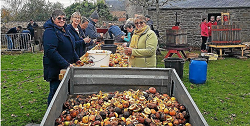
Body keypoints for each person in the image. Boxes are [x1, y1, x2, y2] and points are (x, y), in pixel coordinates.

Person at [43, 10, 81, 105]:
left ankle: (61, 109)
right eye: (59, 18)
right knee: (55, 92)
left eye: (64, 18)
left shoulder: (64, 29)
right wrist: (66, 64)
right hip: (55, 67)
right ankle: (50, 115)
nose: (62, 20)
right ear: (53, 19)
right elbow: (51, 51)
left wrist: (77, 59)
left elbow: (71, 46)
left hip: (66, 66)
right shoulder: (50, 31)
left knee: (64, 92)